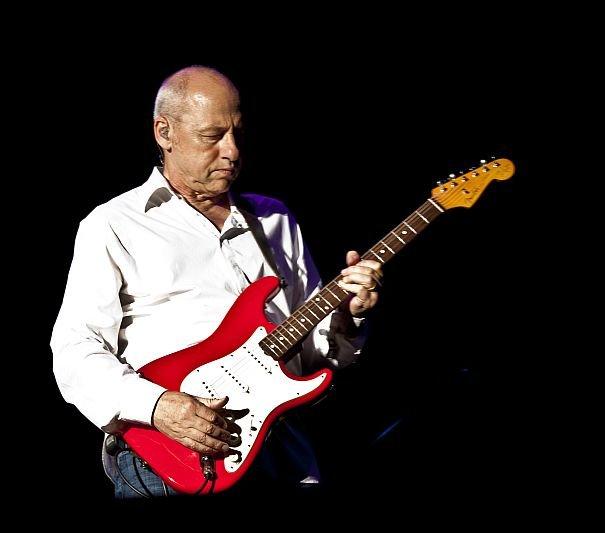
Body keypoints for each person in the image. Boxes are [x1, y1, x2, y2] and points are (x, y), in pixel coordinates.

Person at [50, 66, 383, 498]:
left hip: (282, 452)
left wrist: (348, 317)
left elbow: (311, 360)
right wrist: (157, 406)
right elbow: (75, 351)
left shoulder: (275, 219)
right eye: (212, 136)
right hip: (173, 458)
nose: (232, 151)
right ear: (165, 132)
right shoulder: (114, 224)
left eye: (238, 134)